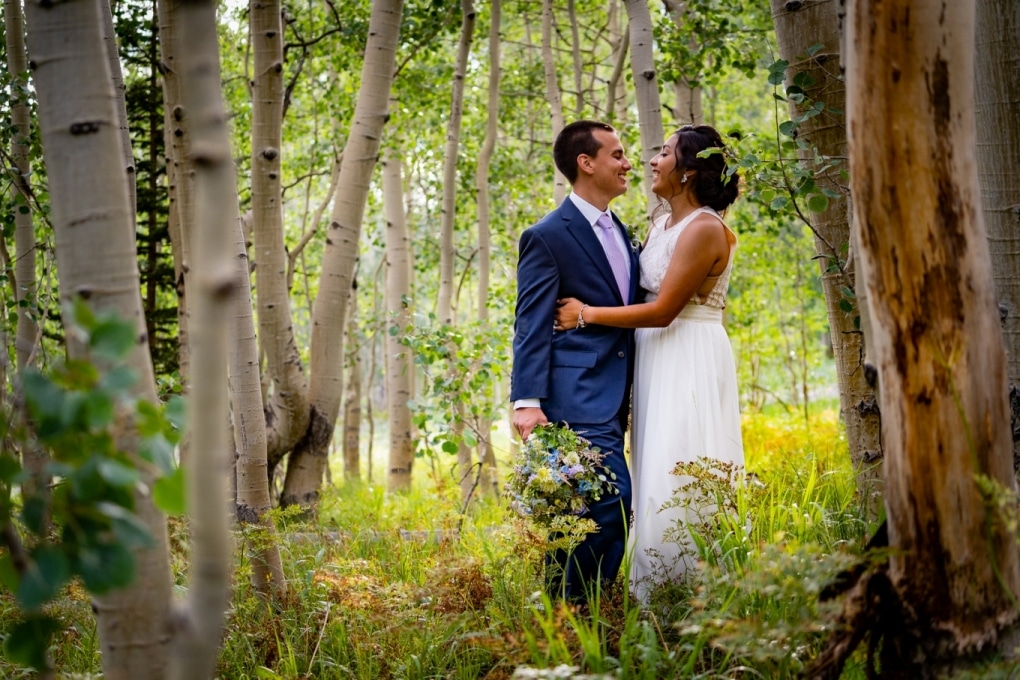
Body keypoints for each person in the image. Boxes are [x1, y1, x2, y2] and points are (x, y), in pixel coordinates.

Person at [553, 124, 744, 601]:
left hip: (687, 351)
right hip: (655, 356)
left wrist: (585, 315)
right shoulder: (660, 224)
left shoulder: (704, 227)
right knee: (653, 465)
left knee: (679, 465)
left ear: (688, 171)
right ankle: (652, 591)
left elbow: (662, 310)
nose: (652, 161)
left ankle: (686, 592)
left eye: (664, 153)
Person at [510, 120, 638, 604]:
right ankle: (577, 610)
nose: (628, 164)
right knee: (610, 503)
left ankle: (570, 615)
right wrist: (527, 401)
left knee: (583, 511)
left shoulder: (621, 229)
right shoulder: (547, 235)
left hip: (622, 390)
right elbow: (531, 322)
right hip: (578, 394)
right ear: (586, 163)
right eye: (618, 155)